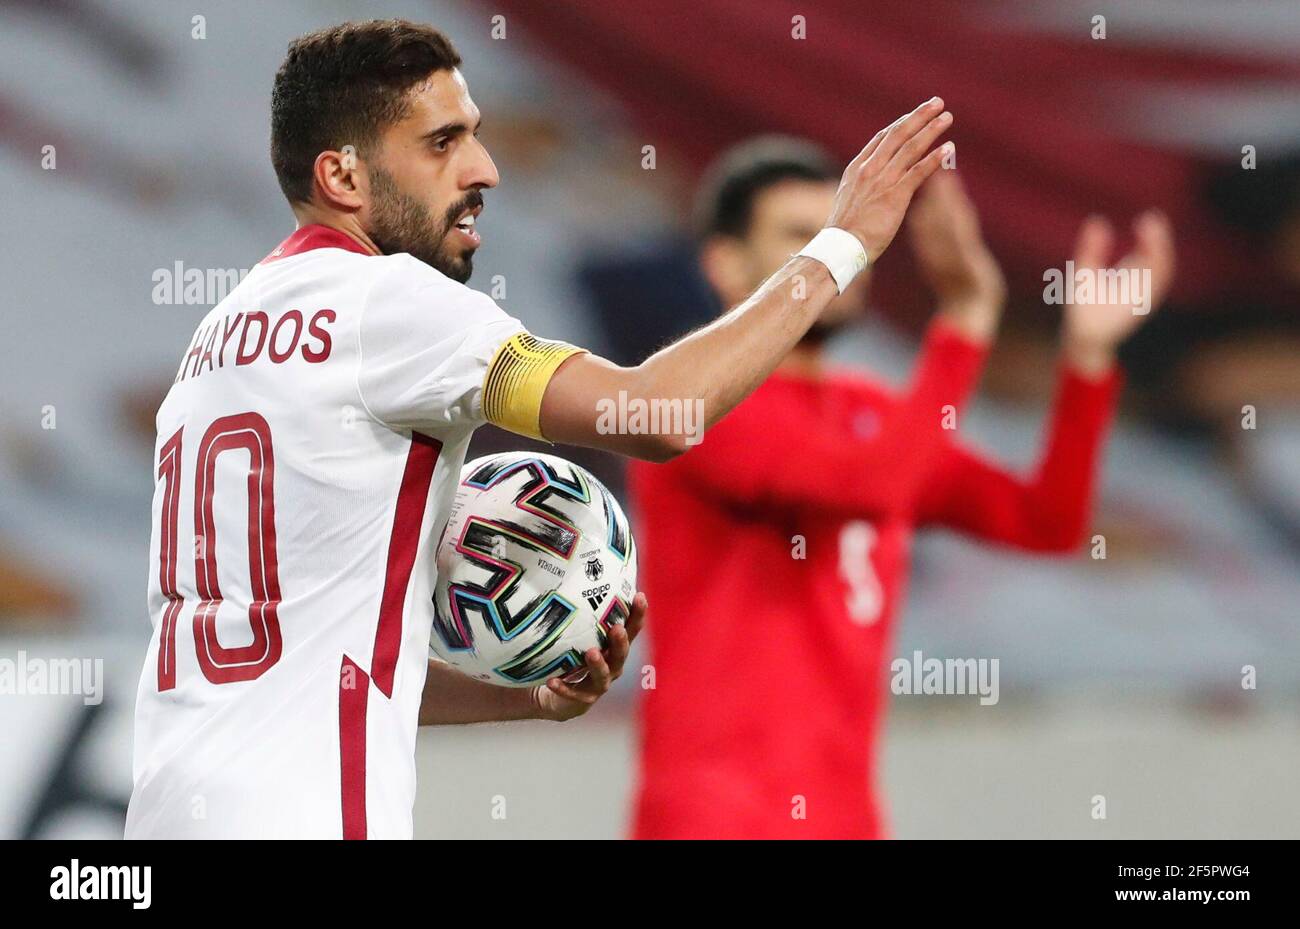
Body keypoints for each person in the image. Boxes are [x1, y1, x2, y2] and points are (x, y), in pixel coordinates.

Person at [126, 20, 955, 838]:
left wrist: (524, 698)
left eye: (476, 137)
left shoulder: (219, 338)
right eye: (442, 142)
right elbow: (655, 414)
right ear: (343, 175)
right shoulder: (395, 306)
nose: (482, 169)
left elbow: (321, 666)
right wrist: (841, 246)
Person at [628, 137, 1175, 839]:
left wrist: (1088, 358)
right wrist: (966, 317)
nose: (842, 258)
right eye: (807, 238)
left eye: (849, 234)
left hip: (847, 816)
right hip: (717, 815)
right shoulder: (697, 408)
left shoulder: (875, 415)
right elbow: (872, 486)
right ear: (726, 264)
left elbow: (1045, 522)